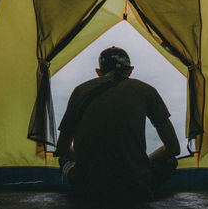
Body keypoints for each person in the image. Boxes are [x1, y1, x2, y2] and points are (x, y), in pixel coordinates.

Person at [55, 46, 180, 200]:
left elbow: (62, 148)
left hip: (88, 187)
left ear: (99, 72)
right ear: (130, 70)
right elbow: (173, 148)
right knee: (170, 161)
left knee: (64, 159)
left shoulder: (80, 91)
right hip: (134, 187)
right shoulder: (147, 91)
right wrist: (141, 162)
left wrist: (86, 162)